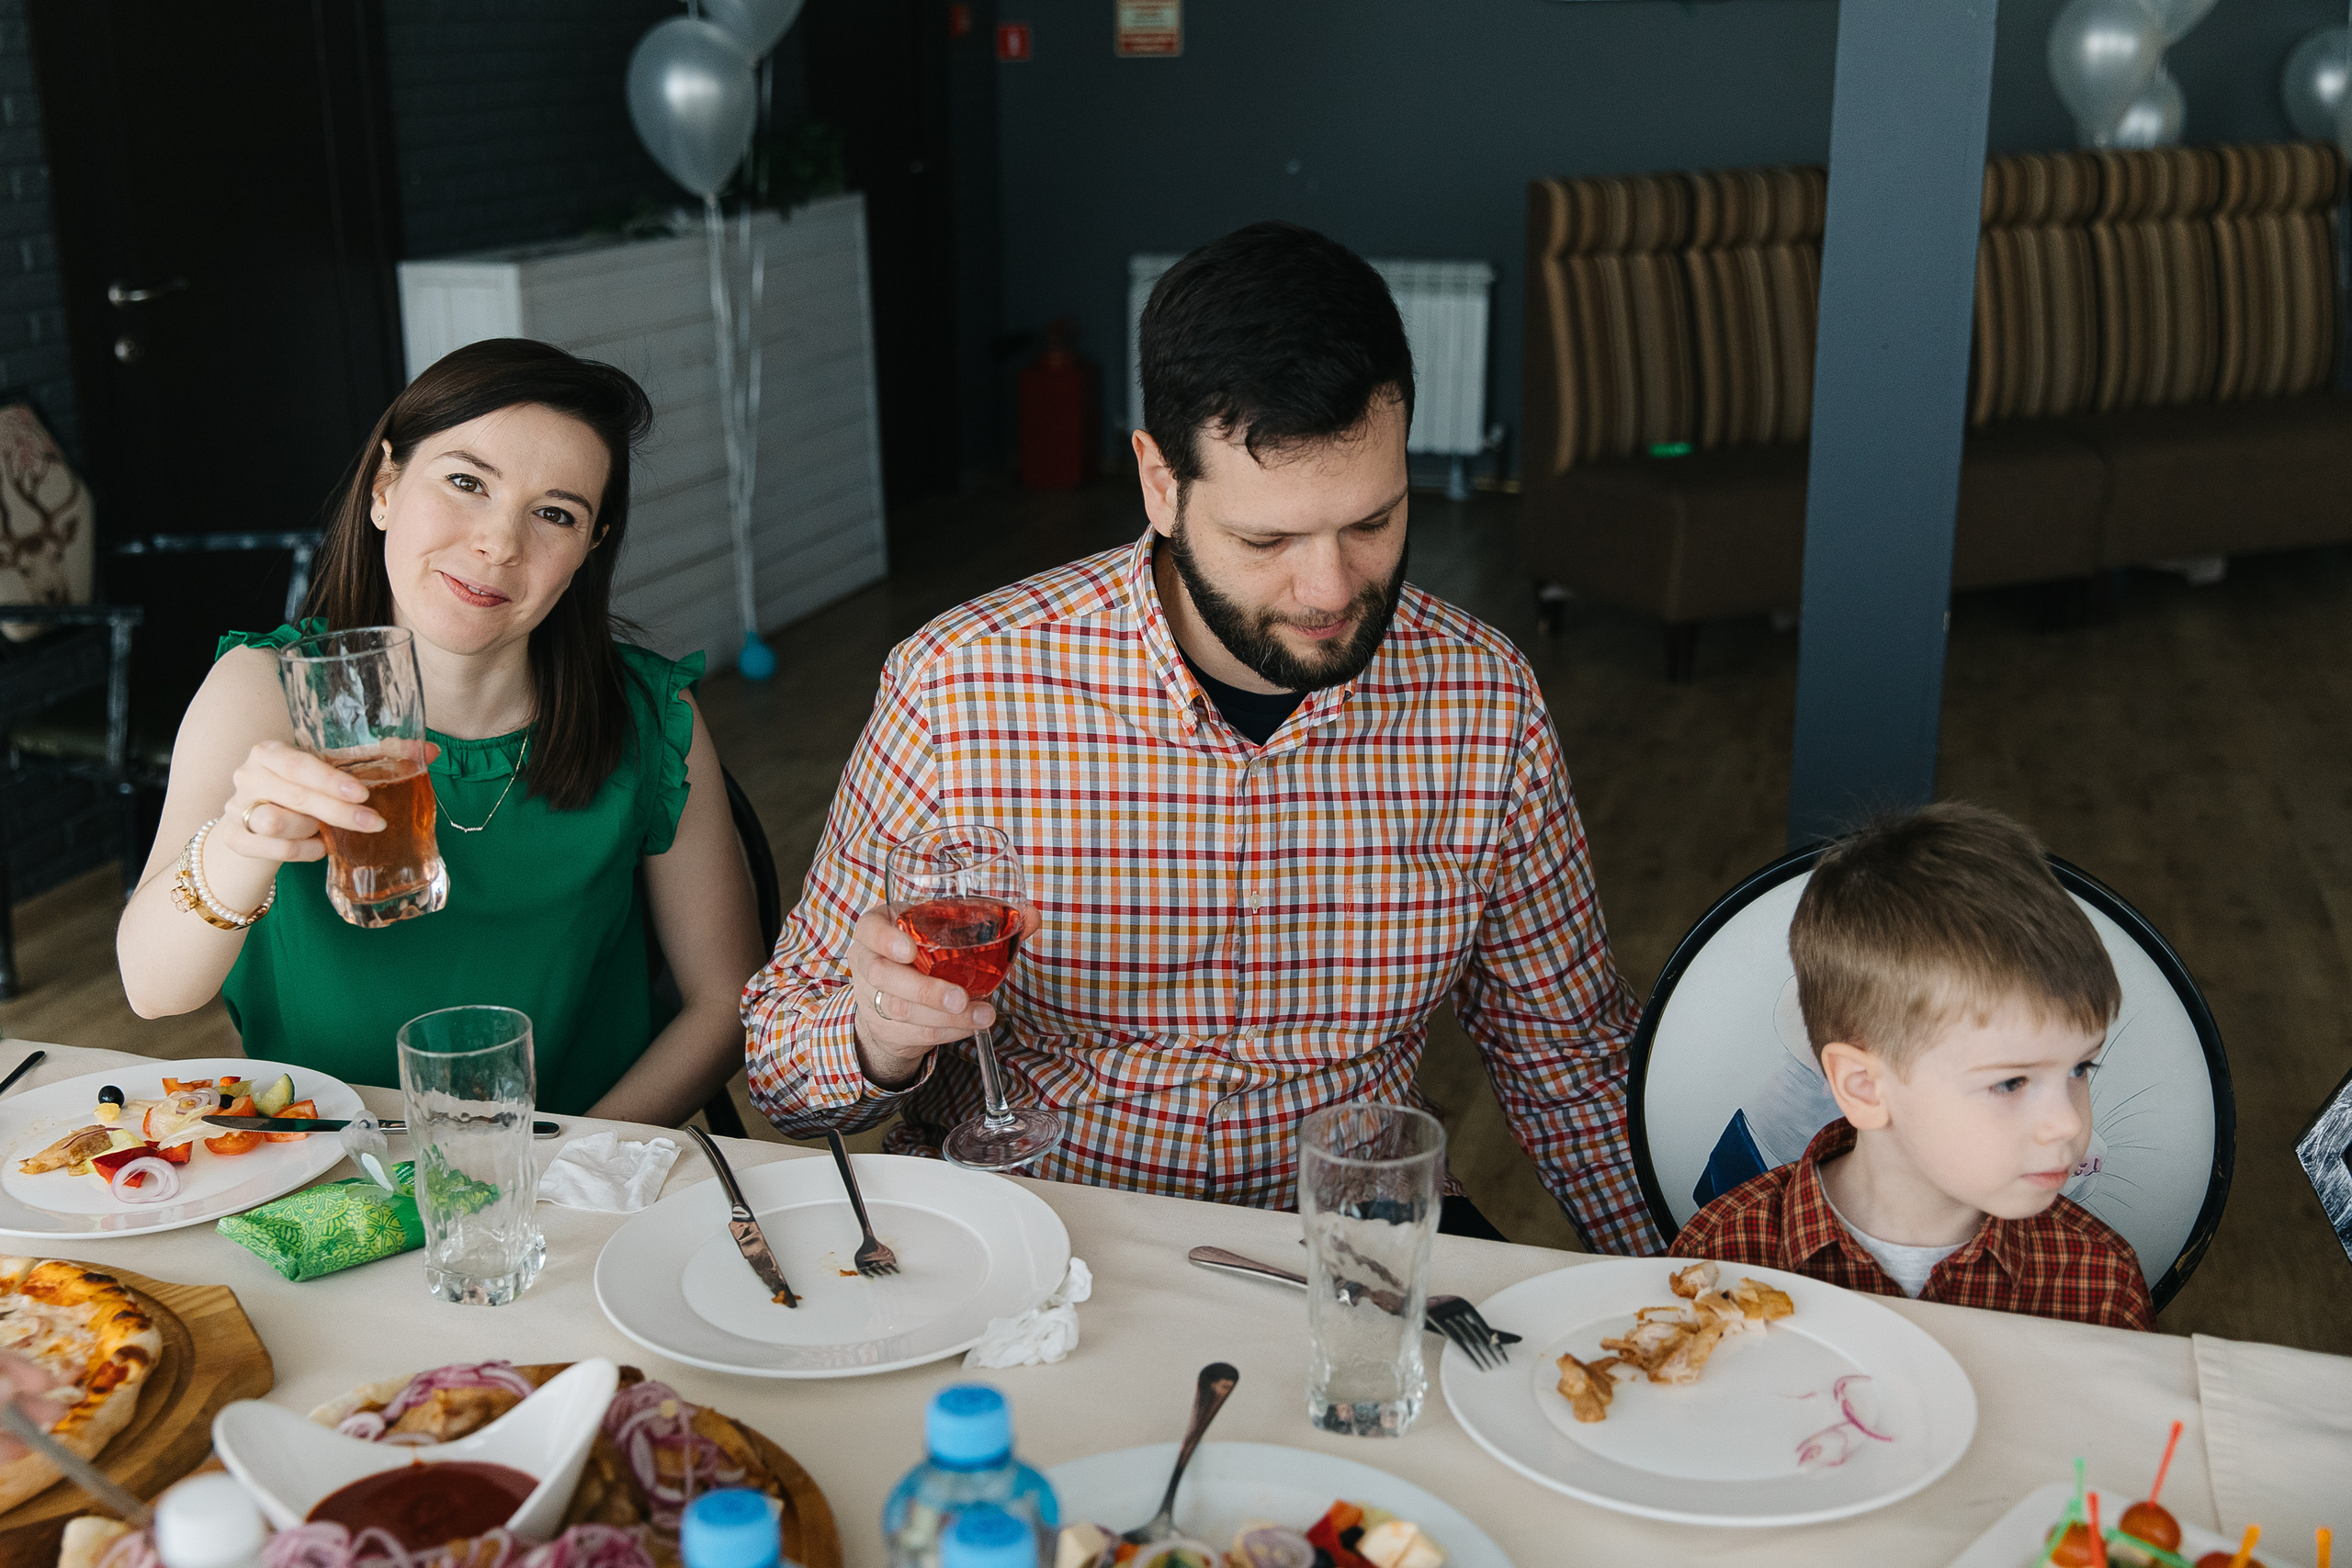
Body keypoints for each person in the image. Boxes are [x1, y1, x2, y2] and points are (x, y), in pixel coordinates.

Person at [746, 220, 1655, 1252]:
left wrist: (1699, 1294)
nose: (1330, 591)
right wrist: (875, 1037)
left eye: (1373, 522)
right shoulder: (960, 686)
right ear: (1159, 483)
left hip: (1349, 1237)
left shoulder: (1484, 701)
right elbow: (784, 1072)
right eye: (1267, 539)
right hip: (1037, 1235)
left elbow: (1569, 1061)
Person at [116, 339, 764, 1122]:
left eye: (555, 513)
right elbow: (152, 990)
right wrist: (241, 840)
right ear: (385, 486)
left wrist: (561, 1164)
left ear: (589, 550)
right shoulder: (265, 693)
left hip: (582, 1174)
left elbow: (726, 1003)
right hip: (335, 1174)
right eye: (465, 482)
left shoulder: (651, 716)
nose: (499, 543)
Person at [1672, 803, 2154, 1329]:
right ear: (1865, 1089)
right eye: (2011, 1081)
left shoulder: (2099, 1282)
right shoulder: (1722, 1254)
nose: (2069, 1122)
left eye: (2080, 1070)